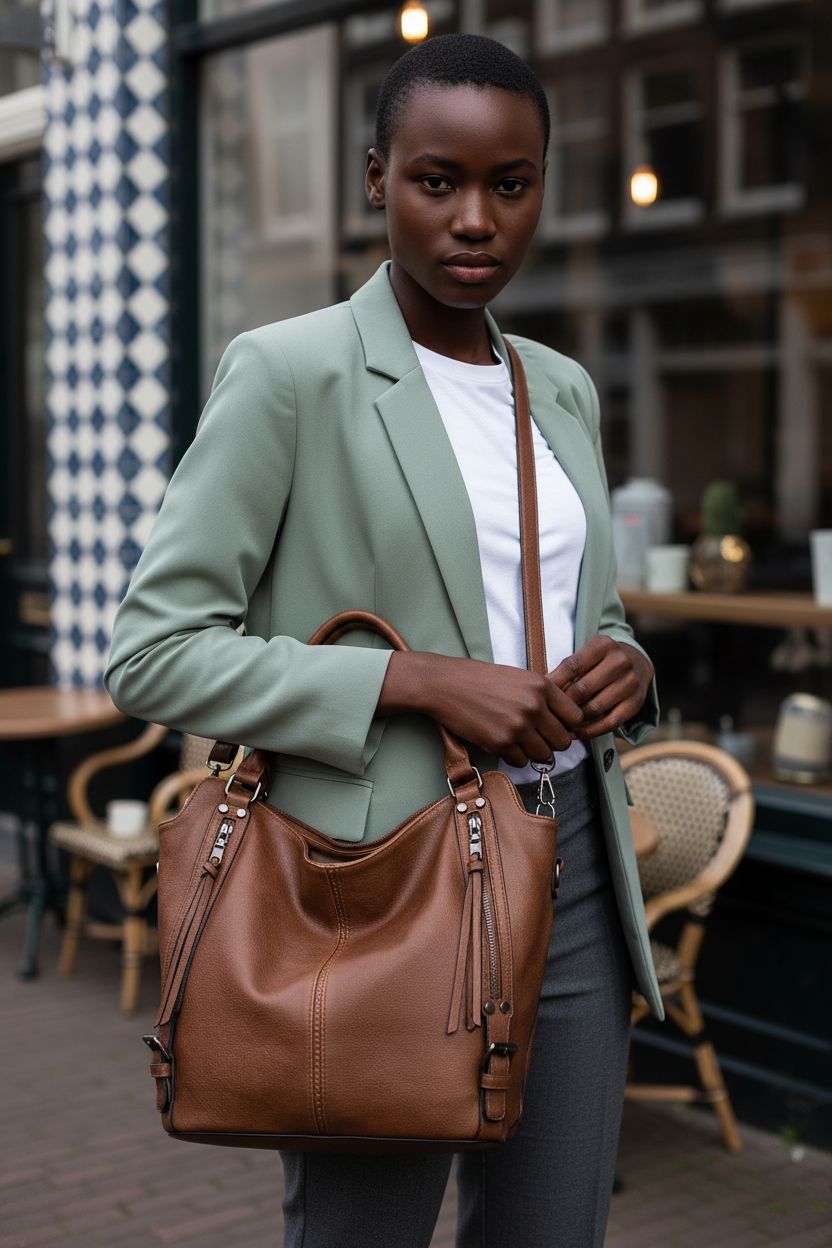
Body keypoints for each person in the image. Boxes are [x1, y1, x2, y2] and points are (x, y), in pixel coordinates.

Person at [105, 32, 663, 1248]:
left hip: (570, 862)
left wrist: (625, 661)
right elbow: (152, 651)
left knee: (551, 1231)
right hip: (374, 882)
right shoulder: (290, 373)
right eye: (436, 180)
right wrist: (415, 682)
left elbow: (586, 609)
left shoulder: (560, 388)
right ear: (376, 179)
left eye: (509, 185)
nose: (475, 220)